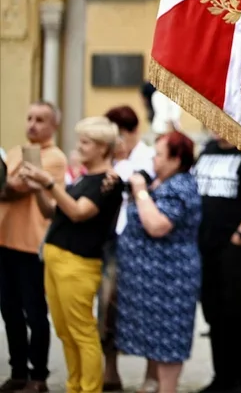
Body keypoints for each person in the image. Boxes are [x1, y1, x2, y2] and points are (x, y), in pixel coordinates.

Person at [19, 117, 124, 393]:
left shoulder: (110, 180)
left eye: (85, 142)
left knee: (82, 332)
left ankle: (89, 388)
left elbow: (79, 213)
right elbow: (53, 212)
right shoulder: (84, 177)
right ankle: (74, 385)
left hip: (78, 263)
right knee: (65, 332)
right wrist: (39, 188)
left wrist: (49, 183)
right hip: (56, 258)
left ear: (103, 148)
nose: (79, 147)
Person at [114, 131, 203, 393]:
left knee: (169, 342)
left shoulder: (181, 186)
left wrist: (140, 193)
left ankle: (167, 389)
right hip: (155, 280)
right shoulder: (163, 182)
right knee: (156, 340)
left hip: (171, 279)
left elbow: (157, 226)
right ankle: (154, 384)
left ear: (176, 160)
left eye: (159, 154)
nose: (153, 158)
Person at [191, 133, 241, 393]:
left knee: (234, 310)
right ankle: (220, 376)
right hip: (204, 245)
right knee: (212, 311)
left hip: (234, 245)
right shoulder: (208, 149)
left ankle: (240, 379)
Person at [0, 101, 68, 393]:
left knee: (35, 313)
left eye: (40, 119)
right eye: (29, 118)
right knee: (9, 311)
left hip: (31, 246)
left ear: (54, 125)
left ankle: (38, 376)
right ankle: (17, 371)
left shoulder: (53, 157)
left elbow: (17, 189)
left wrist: (6, 186)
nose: (32, 124)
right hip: (4, 241)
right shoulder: (16, 151)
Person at [101, 105, 157, 393]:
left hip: (142, 240)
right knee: (107, 305)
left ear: (130, 131)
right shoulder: (107, 159)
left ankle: (152, 373)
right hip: (112, 240)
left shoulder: (148, 157)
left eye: (118, 135)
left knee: (147, 305)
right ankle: (110, 371)